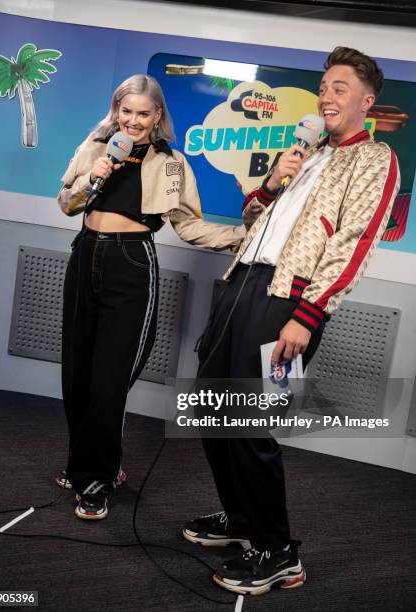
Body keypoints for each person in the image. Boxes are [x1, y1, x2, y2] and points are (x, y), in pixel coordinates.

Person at [182, 47, 400, 596]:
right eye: (324, 86)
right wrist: (273, 183)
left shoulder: (375, 158)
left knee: (253, 424)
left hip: (290, 299)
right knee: (210, 407)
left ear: (366, 101)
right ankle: (242, 522)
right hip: (243, 283)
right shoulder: (306, 152)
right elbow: (256, 219)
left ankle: (278, 552)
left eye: (340, 88)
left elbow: (354, 244)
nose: (327, 95)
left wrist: (307, 315)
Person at [57, 74, 246, 520]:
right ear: (116, 109)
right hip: (84, 255)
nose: (134, 121)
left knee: (110, 378)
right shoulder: (94, 148)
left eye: (144, 113)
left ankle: (98, 479)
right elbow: (66, 203)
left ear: (158, 115)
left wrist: (244, 236)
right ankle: (85, 463)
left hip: (132, 264)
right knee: (77, 372)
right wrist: (92, 177)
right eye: (127, 111)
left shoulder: (173, 163)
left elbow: (190, 226)